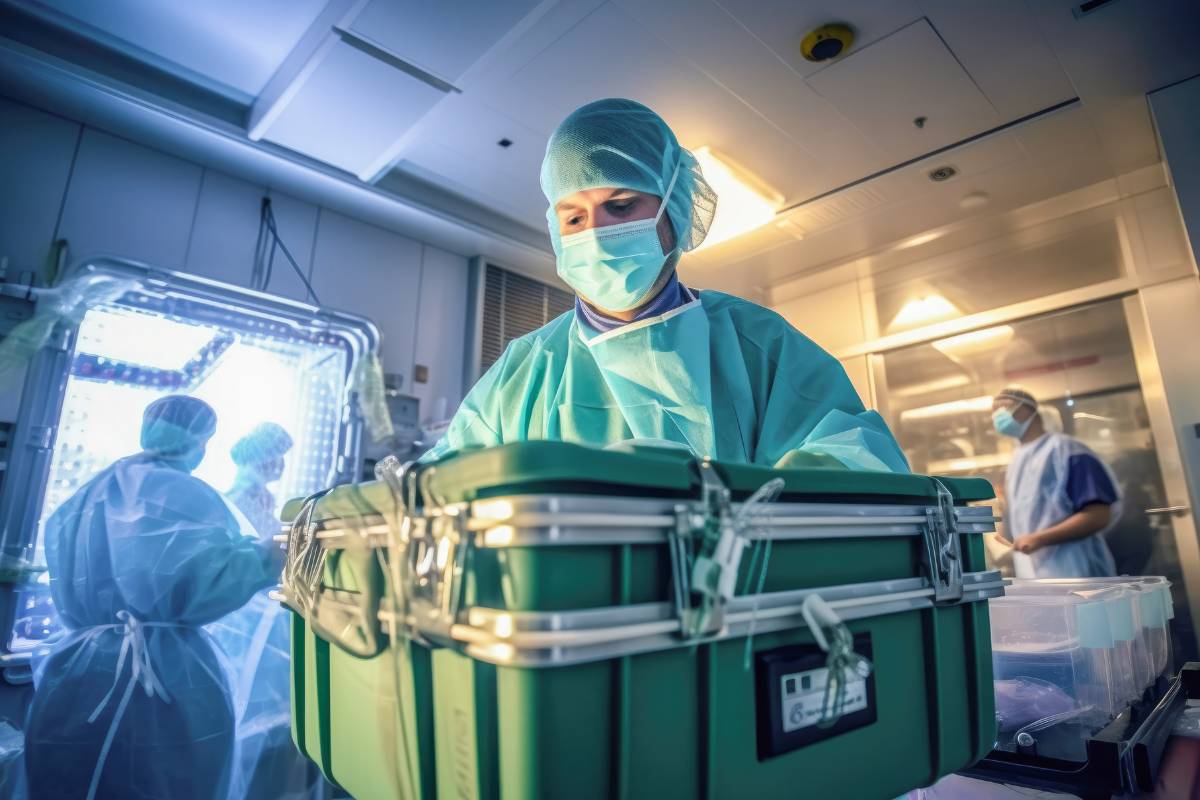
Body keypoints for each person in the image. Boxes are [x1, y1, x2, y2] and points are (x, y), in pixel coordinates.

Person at [424, 98, 907, 472]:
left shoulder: (758, 344)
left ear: (672, 211)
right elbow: (438, 488)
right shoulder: (524, 372)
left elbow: (860, 461)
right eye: (574, 217)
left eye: (620, 206)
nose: (595, 233)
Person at [25, 395, 278, 800]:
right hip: (167, 674)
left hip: (76, 670)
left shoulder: (91, 491)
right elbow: (206, 583)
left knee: (69, 778)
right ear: (199, 441)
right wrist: (278, 553)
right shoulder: (184, 493)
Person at [208, 423, 327, 800]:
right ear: (258, 456)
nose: (280, 465)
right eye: (276, 456)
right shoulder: (243, 497)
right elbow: (259, 556)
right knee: (254, 710)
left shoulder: (257, 496)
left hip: (259, 614)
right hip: (247, 617)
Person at [992, 387, 1121, 578]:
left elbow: (1098, 514)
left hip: (1075, 570)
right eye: (994, 412)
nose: (997, 416)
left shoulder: (1067, 450)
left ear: (1029, 410)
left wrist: (1039, 539)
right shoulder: (1017, 460)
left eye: (1003, 408)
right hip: (1034, 573)